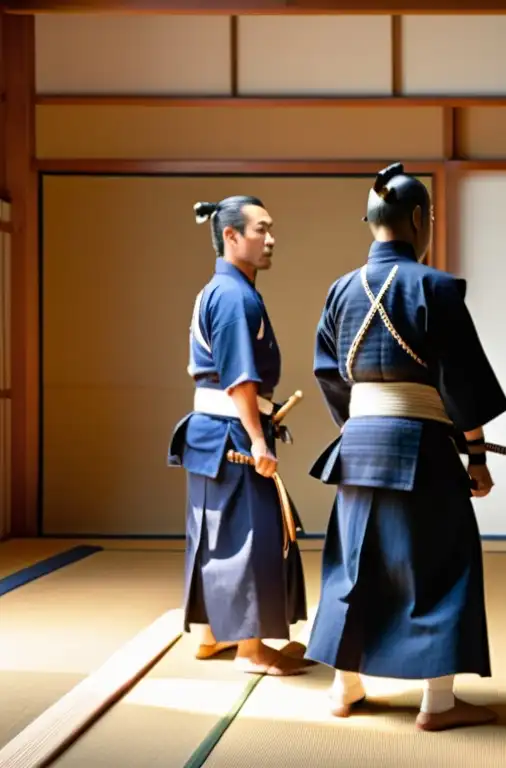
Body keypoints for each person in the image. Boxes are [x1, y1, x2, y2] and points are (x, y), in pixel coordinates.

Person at [303, 163, 506, 732]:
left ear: (371, 222)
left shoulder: (340, 289)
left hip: (359, 444)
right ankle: (437, 703)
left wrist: (357, 426)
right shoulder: (435, 288)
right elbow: (460, 379)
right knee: (442, 564)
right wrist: (477, 455)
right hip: (421, 447)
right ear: (420, 219)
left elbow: (328, 373)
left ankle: (345, 689)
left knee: (353, 564)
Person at [168, 195, 310, 676]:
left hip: (213, 431)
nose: (270, 239)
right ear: (231, 236)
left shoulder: (225, 289)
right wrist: (259, 440)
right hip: (231, 427)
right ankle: (249, 649)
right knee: (246, 535)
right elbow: (239, 379)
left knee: (215, 534)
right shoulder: (232, 295)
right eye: (260, 230)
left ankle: (210, 636)